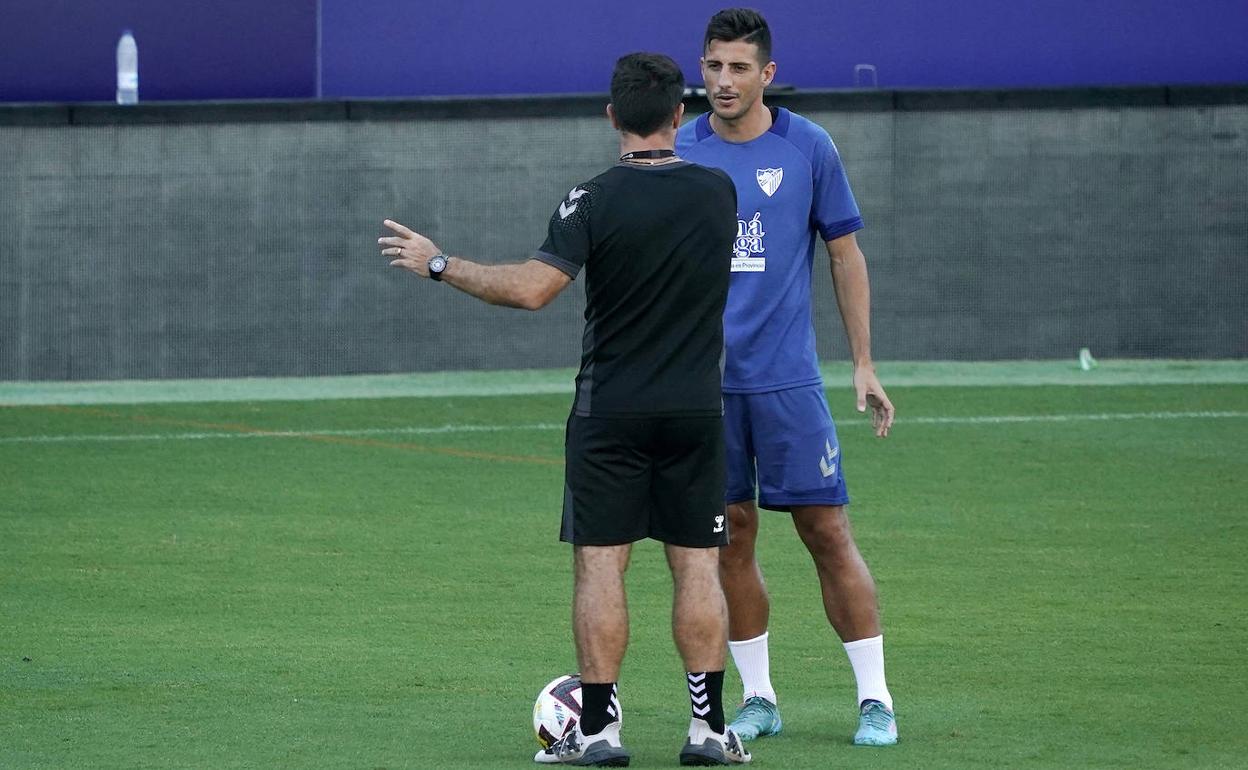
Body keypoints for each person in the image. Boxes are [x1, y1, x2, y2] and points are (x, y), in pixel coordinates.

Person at [381, 52, 751, 767]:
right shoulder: (718, 193)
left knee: (600, 568)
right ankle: (708, 731)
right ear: (681, 114)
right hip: (697, 413)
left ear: (611, 116)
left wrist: (437, 262)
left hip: (610, 413)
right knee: (698, 567)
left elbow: (530, 289)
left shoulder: (591, 199)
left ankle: (601, 731)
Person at [675, 8, 899, 748]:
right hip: (705, 391)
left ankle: (875, 700)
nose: (724, 80)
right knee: (729, 538)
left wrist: (861, 361)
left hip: (788, 384)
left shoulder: (809, 147)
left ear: (766, 74)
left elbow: (845, 254)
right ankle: (760, 698)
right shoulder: (680, 151)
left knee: (826, 531)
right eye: (713, 66)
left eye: (739, 67)